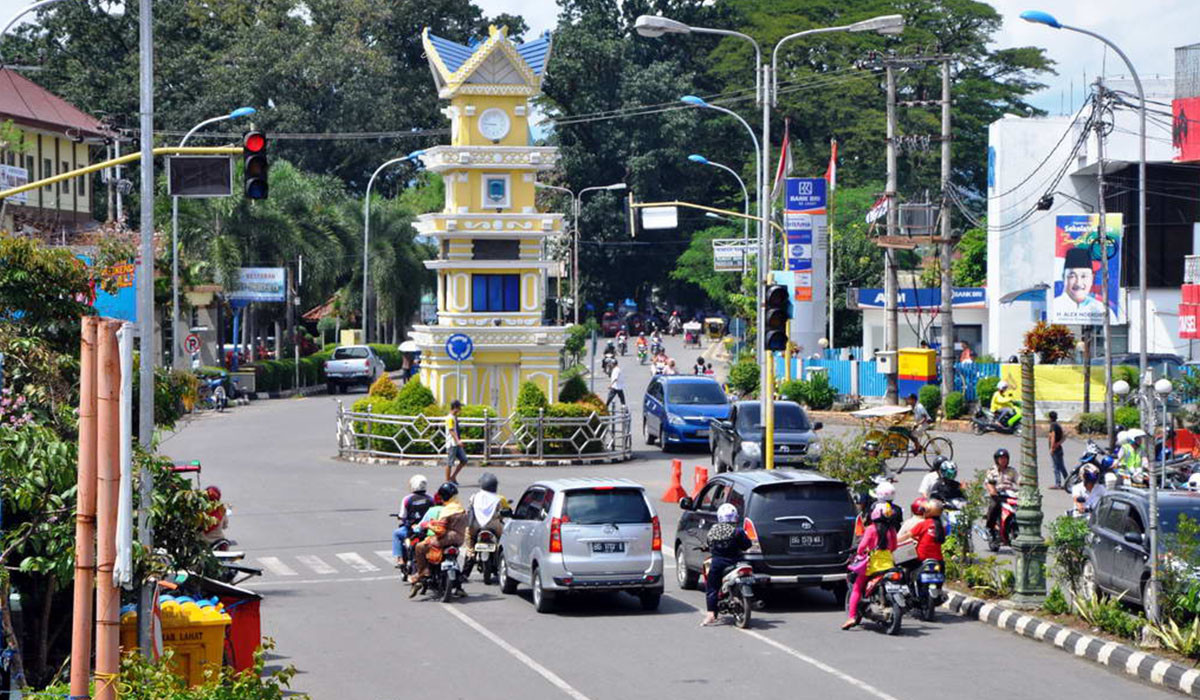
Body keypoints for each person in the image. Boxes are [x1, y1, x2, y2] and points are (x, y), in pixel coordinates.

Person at [842, 502, 899, 630]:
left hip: (872, 566)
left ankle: (851, 617)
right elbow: (894, 546)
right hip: (889, 564)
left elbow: (861, 547)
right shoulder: (892, 529)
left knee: (856, 588)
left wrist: (861, 552)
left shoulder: (871, 529)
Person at [701, 503, 753, 626]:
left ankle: (711, 614)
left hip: (718, 563)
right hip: (736, 562)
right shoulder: (738, 531)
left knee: (712, 588)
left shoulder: (713, 531)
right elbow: (747, 545)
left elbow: (709, 545)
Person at [410, 482, 469, 588]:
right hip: (459, 539)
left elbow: (440, 530)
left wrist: (428, 525)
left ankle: (424, 572)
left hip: (447, 539)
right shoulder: (460, 508)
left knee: (419, 547)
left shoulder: (448, 510)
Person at [464, 472, 510, 579]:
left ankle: (466, 571)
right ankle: (501, 559)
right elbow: (504, 511)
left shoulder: (474, 497)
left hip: (476, 526)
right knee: (503, 540)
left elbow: (469, 512)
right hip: (494, 526)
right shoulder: (498, 498)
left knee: (470, 543)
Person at [1054, 246, 1113, 320]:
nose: (1078, 283)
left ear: (1092, 278)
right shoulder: (1053, 308)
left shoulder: (1102, 310)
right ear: (1063, 278)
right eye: (1072, 276)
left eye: (1084, 276)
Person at [392, 475, 434, 568]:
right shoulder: (431, 499)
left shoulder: (407, 499)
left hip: (412, 529)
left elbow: (403, 515)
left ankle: (400, 559)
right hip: (428, 529)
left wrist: (400, 517)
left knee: (396, 534)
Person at [985, 448, 1020, 534]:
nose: (1003, 460)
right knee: (994, 506)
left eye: (1005, 458)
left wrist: (1025, 486)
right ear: (996, 460)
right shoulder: (991, 471)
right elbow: (989, 483)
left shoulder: (1012, 471)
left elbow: (1019, 481)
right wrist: (993, 492)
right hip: (997, 495)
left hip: (1010, 494)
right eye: (1001, 458)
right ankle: (990, 527)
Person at [900, 498, 945, 564]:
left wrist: (894, 541)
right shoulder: (941, 527)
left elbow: (907, 535)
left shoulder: (923, 524)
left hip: (922, 558)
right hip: (938, 559)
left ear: (928, 512)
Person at [445, 400, 468, 484]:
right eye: (459, 408)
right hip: (452, 443)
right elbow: (451, 431)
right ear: (455, 408)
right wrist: (458, 441)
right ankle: (447, 481)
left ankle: (453, 477)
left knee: (464, 460)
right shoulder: (450, 418)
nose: (460, 409)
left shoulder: (454, 417)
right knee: (450, 462)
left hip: (456, 443)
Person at [1048, 410, 1067, 489]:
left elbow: (1053, 436)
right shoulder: (1058, 426)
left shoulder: (1052, 426)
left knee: (1056, 467)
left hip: (1055, 449)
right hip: (1059, 448)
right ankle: (1068, 481)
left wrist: (1052, 448)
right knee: (1061, 466)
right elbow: (1064, 436)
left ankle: (1058, 483)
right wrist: (1059, 443)